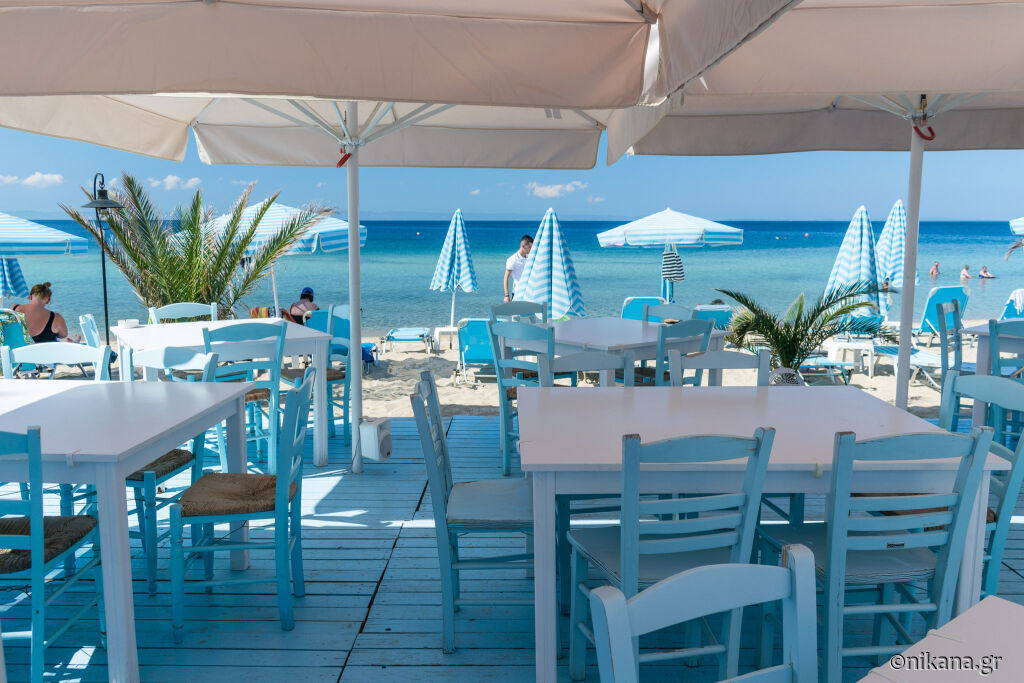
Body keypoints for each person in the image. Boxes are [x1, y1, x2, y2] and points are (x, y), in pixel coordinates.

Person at [11, 282, 77, 343]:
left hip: (18, 350)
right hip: (45, 351)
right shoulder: (55, 318)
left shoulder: (14, 309)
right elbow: (63, 335)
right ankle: (76, 341)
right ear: (48, 301)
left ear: (30, 297)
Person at [503, 234, 534, 302]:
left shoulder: (530, 258)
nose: (531, 249)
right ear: (523, 246)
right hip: (518, 292)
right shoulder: (512, 260)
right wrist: (506, 295)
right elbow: (506, 278)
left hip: (529, 292)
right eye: (530, 247)